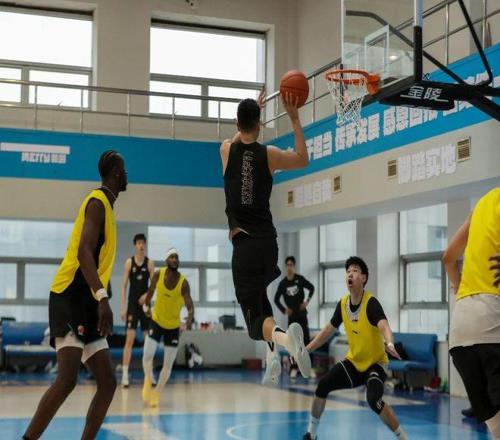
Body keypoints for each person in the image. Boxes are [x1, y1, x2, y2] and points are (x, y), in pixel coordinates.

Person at [23, 151, 127, 440]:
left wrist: (98, 298)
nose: (127, 174)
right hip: (70, 296)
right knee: (67, 379)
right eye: (125, 169)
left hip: (88, 300)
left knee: (107, 382)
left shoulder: (108, 207)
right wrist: (103, 297)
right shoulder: (97, 203)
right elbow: (83, 253)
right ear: (117, 172)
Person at [220, 90, 311, 386]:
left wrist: (250, 115)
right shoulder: (269, 154)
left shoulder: (226, 150)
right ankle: (273, 358)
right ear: (259, 125)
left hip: (244, 247)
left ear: (237, 123)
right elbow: (303, 159)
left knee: (254, 324)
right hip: (268, 244)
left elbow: (237, 140)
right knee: (260, 302)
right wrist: (294, 119)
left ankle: (287, 342)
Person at [303, 256, 408, 440]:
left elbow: (384, 326)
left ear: (364, 278)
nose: (350, 274)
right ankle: (311, 434)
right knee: (322, 386)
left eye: (355, 271)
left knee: (374, 400)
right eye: (348, 271)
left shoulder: (371, 303)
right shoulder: (343, 304)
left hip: (375, 364)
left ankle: (403, 438)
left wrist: (390, 342)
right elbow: (327, 331)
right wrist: (306, 349)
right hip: (353, 363)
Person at [443, 188, 500, 439]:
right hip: (492, 321)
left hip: (460, 331)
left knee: (495, 424)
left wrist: (459, 288)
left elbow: (448, 258)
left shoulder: (483, 203)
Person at [141, 248, 194, 407]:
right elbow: (150, 292)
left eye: (177, 257)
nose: (175, 259)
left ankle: (156, 392)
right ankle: (148, 378)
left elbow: (190, 305)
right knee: (147, 356)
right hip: (156, 321)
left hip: (173, 327)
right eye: (172, 256)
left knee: (168, 365)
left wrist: (190, 318)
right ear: (166, 260)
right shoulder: (158, 274)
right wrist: (146, 306)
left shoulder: (183, 283)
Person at [120, 233, 155, 387]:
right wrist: (123, 308)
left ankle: (149, 374)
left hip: (145, 306)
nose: (141, 245)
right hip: (132, 306)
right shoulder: (129, 262)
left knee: (149, 341)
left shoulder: (150, 263)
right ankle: (124, 375)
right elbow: (123, 286)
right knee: (129, 340)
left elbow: (154, 286)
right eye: (138, 243)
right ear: (135, 245)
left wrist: (147, 296)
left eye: (143, 243)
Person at [274, 255, 315, 378]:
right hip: (292, 317)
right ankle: (293, 368)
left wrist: (307, 301)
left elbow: (312, 288)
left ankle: (309, 368)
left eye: (291, 265)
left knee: (306, 341)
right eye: (287, 265)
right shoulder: (283, 283)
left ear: (294, 266)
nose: (289, 267)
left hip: (302, 315)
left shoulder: (300, 279)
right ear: (286, 267)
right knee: (292, 343)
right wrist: (284, 310)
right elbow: (276, 299)